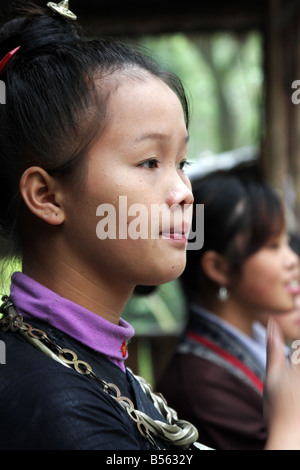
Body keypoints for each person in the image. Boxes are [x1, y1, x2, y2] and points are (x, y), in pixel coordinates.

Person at [0, 0, 300, 452]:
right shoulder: (50, 403)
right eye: (149, 162)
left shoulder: (97, 364)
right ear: (46, 195)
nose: (184, 191)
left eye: (183, 163)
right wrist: (289, 428)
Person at [158, 169, 300, 450]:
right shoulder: (202, 388)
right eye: (273, 246)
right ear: (219, 268)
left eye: (286, 243)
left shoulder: (260, 345)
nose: (293, 260)